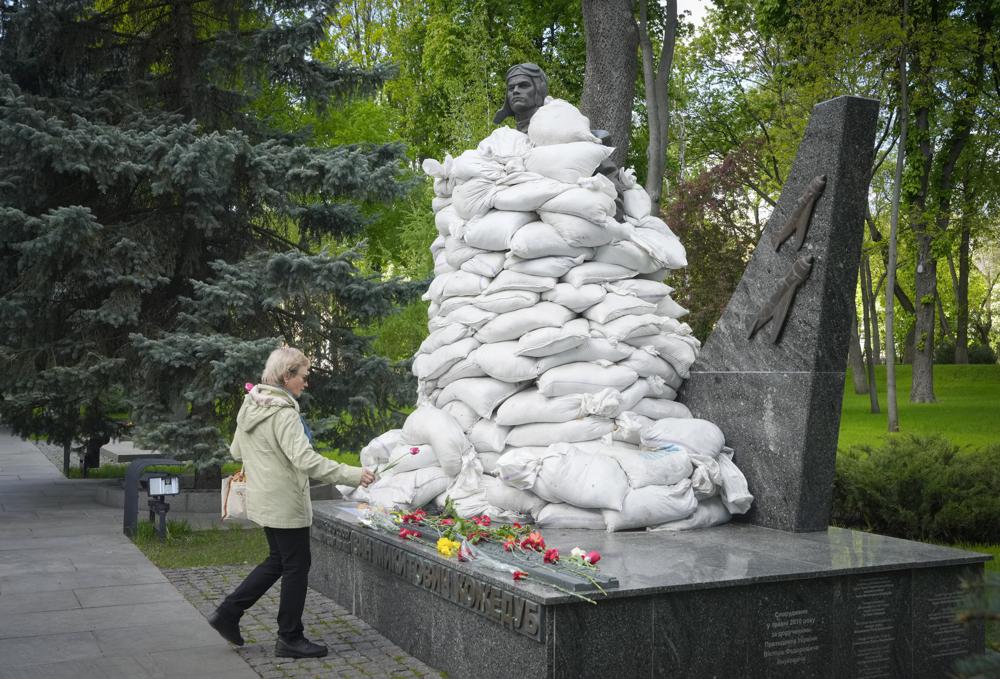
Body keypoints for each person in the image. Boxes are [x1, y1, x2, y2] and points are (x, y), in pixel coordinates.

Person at [208, 347, 375, 659]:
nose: (305, 383)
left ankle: (229, 613)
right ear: (287, 377)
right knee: (297, 566)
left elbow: (236, 451)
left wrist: (265, 456)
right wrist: (353, 474)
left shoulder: (252, 402)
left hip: (264, 497)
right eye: (303, 376)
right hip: (285, 502)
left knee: (278, 560)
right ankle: (289, 637)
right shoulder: (284, 413)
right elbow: (305, 459)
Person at [492, 62, 549, 132]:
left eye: (524, 85)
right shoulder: (503, 137)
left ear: (539, 89)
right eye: (511, 88)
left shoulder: (555, 126)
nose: (515, 91)